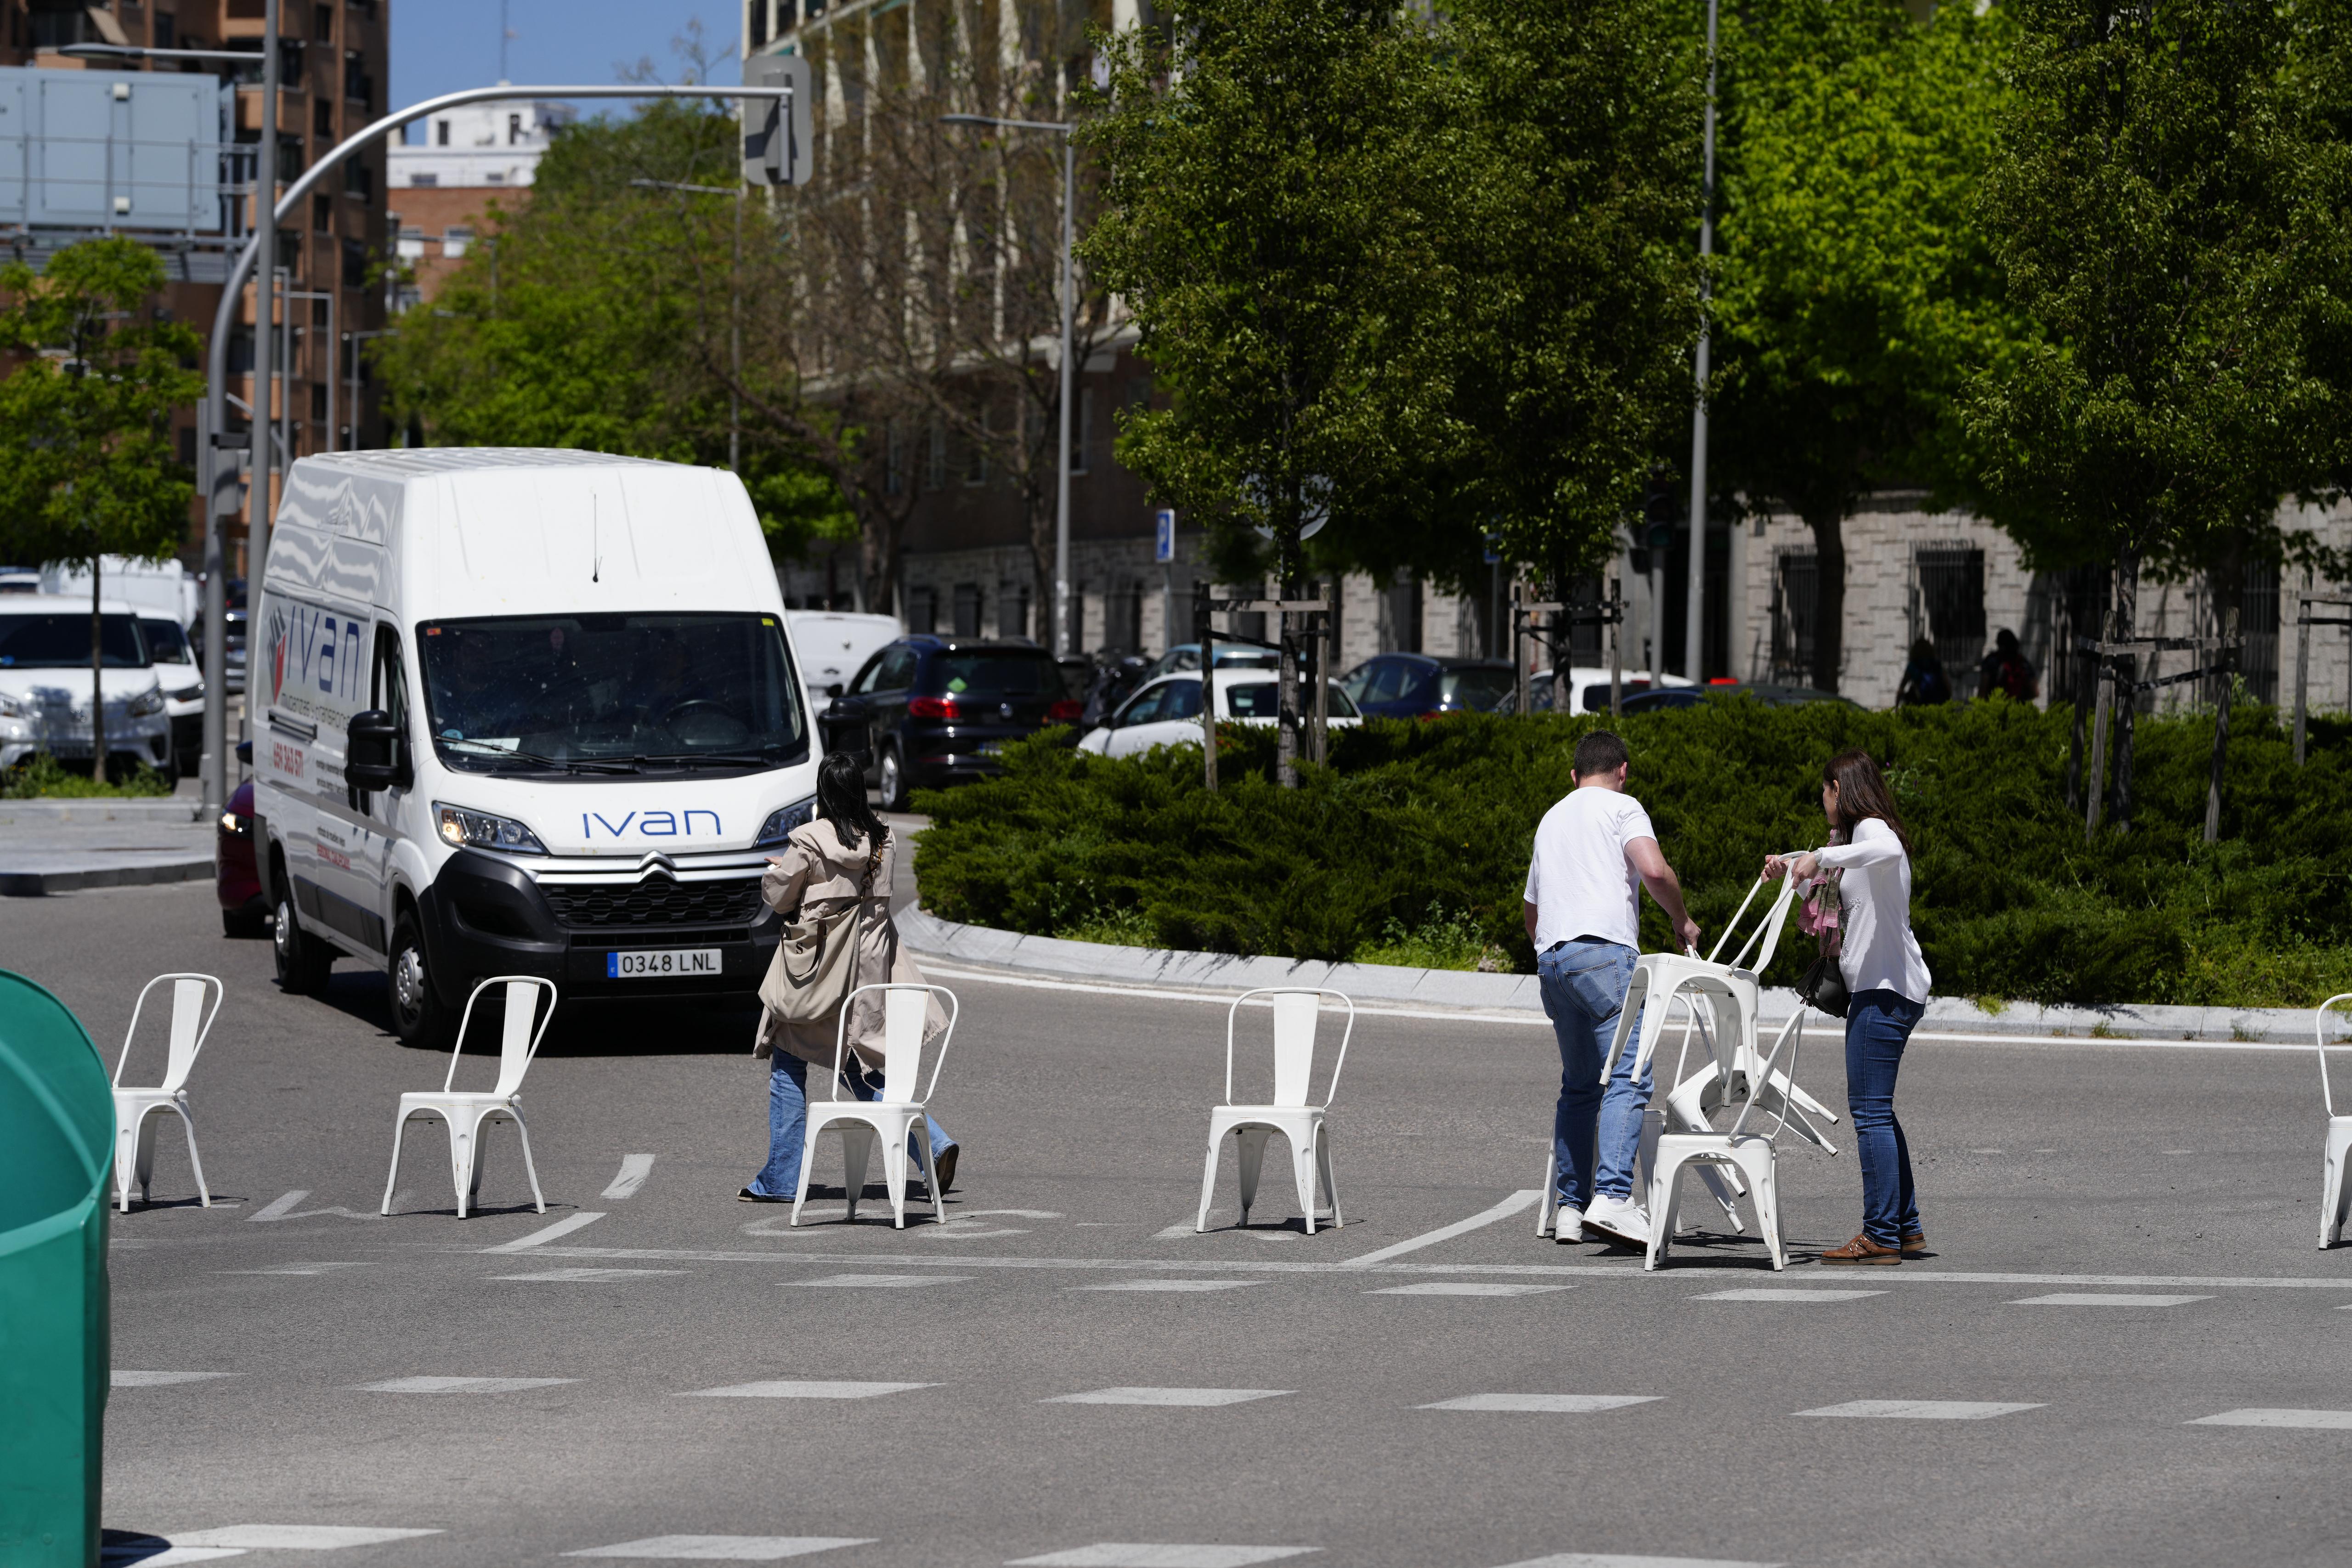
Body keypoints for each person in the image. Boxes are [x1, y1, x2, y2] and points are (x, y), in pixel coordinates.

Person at [740, 751, 960, 1204]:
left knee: (788, 1062)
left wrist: (772, 875)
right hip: (871, 975)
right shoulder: (884, 838)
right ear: (860, 789)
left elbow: (782, 899)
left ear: (824, 792)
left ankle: (781, 1178)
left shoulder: (809, 839)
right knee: (856, 1064)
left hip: (820, 974)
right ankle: (931, 1142)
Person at [1524, 730, 1702, 1248]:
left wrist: (1550, 951)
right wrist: (1681, 919)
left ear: (1573, 775)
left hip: (1552, 960)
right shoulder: (1623, 808)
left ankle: (1569, 1208)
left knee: (1579, 1086)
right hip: (1603, 955)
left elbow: (1531, 908)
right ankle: (1613, 1198)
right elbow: (1652, 868)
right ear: (1622, 770)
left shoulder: (1551, 817)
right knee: (1629, 1076)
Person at [1764, 750, 1931, 1264]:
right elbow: (1829, 901)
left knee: (1869, 1113)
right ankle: (1904, 1227)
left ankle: (1880, 1233)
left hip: (1884, 992)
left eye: (1824, 791)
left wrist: (1819, 855)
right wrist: (1792, 869)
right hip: (1882, 990)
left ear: (1839, 788)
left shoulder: (1874, 833)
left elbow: (1879, 847)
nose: (1822, 801)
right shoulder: (1851, 846)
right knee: (1878, 1110)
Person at [1978, 628, 2039, 702]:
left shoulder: (1992, 661)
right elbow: (2035, 693)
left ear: (1999, 644)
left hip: (1995, 707)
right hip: (2017, 708)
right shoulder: (2023, 662)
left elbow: (1983, 690)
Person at [1894, 640, 1951, 706]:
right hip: (1937, 703)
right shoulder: (1937, 665)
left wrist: (1897, 707)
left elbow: (1901, 688)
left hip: (1920, 703)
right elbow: (1948, 685)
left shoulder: (1913, 666)